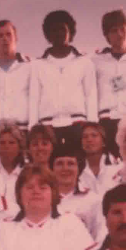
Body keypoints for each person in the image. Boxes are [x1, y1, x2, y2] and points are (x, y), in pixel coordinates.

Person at [29, 10, 98, 150]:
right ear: (48, 35)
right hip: (48, 127)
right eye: (54, 30)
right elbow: (34, 98)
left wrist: (91, 126)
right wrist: (34, 128)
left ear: (70, 32)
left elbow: (91, 95)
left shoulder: (84, 62)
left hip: (77, 125)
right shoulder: (37, 65)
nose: (58, 33)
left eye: (62, 29)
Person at [90, 9, 126, 151]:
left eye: (123, 29)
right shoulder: (95, 61)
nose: (120, 35)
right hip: (105, 120)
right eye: (114, 31)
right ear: (106, 35)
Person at [0, 20, 33, 150]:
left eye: (9, 34)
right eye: (0, 35)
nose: (5, 39)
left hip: (23, 128)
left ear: (16, 38)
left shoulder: (31, 67)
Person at [51, 145, 101, 237]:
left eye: (70, 163)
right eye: (59, 164)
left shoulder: (93, 200)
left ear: (79, 168)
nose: (65, 168)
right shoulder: (43, 198)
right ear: (52, 169)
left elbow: (99, 235)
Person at [77, 121, 121, 194]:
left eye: (94, 135)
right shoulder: (76, 169)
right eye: (85, 137)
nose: (89, 140)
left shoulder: (119, 167)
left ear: (103, 142)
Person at [0, 124, 26, 213]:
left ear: (20, 146)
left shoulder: (27, 170)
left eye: (11, 142)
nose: (6, 146)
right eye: (2, 142)